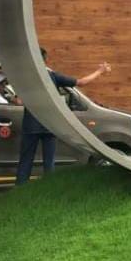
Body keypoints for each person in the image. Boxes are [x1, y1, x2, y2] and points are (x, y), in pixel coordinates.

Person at [15, 48, 111, 185]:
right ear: (45, 60)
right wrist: (100, 71)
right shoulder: (53, 76)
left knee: (25, 161)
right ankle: (49, 190)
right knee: (49, 163)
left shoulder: (26, 76)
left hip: (31, 125)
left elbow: (19, 101)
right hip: (50, 126)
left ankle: (20, 189)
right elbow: (81, 82)